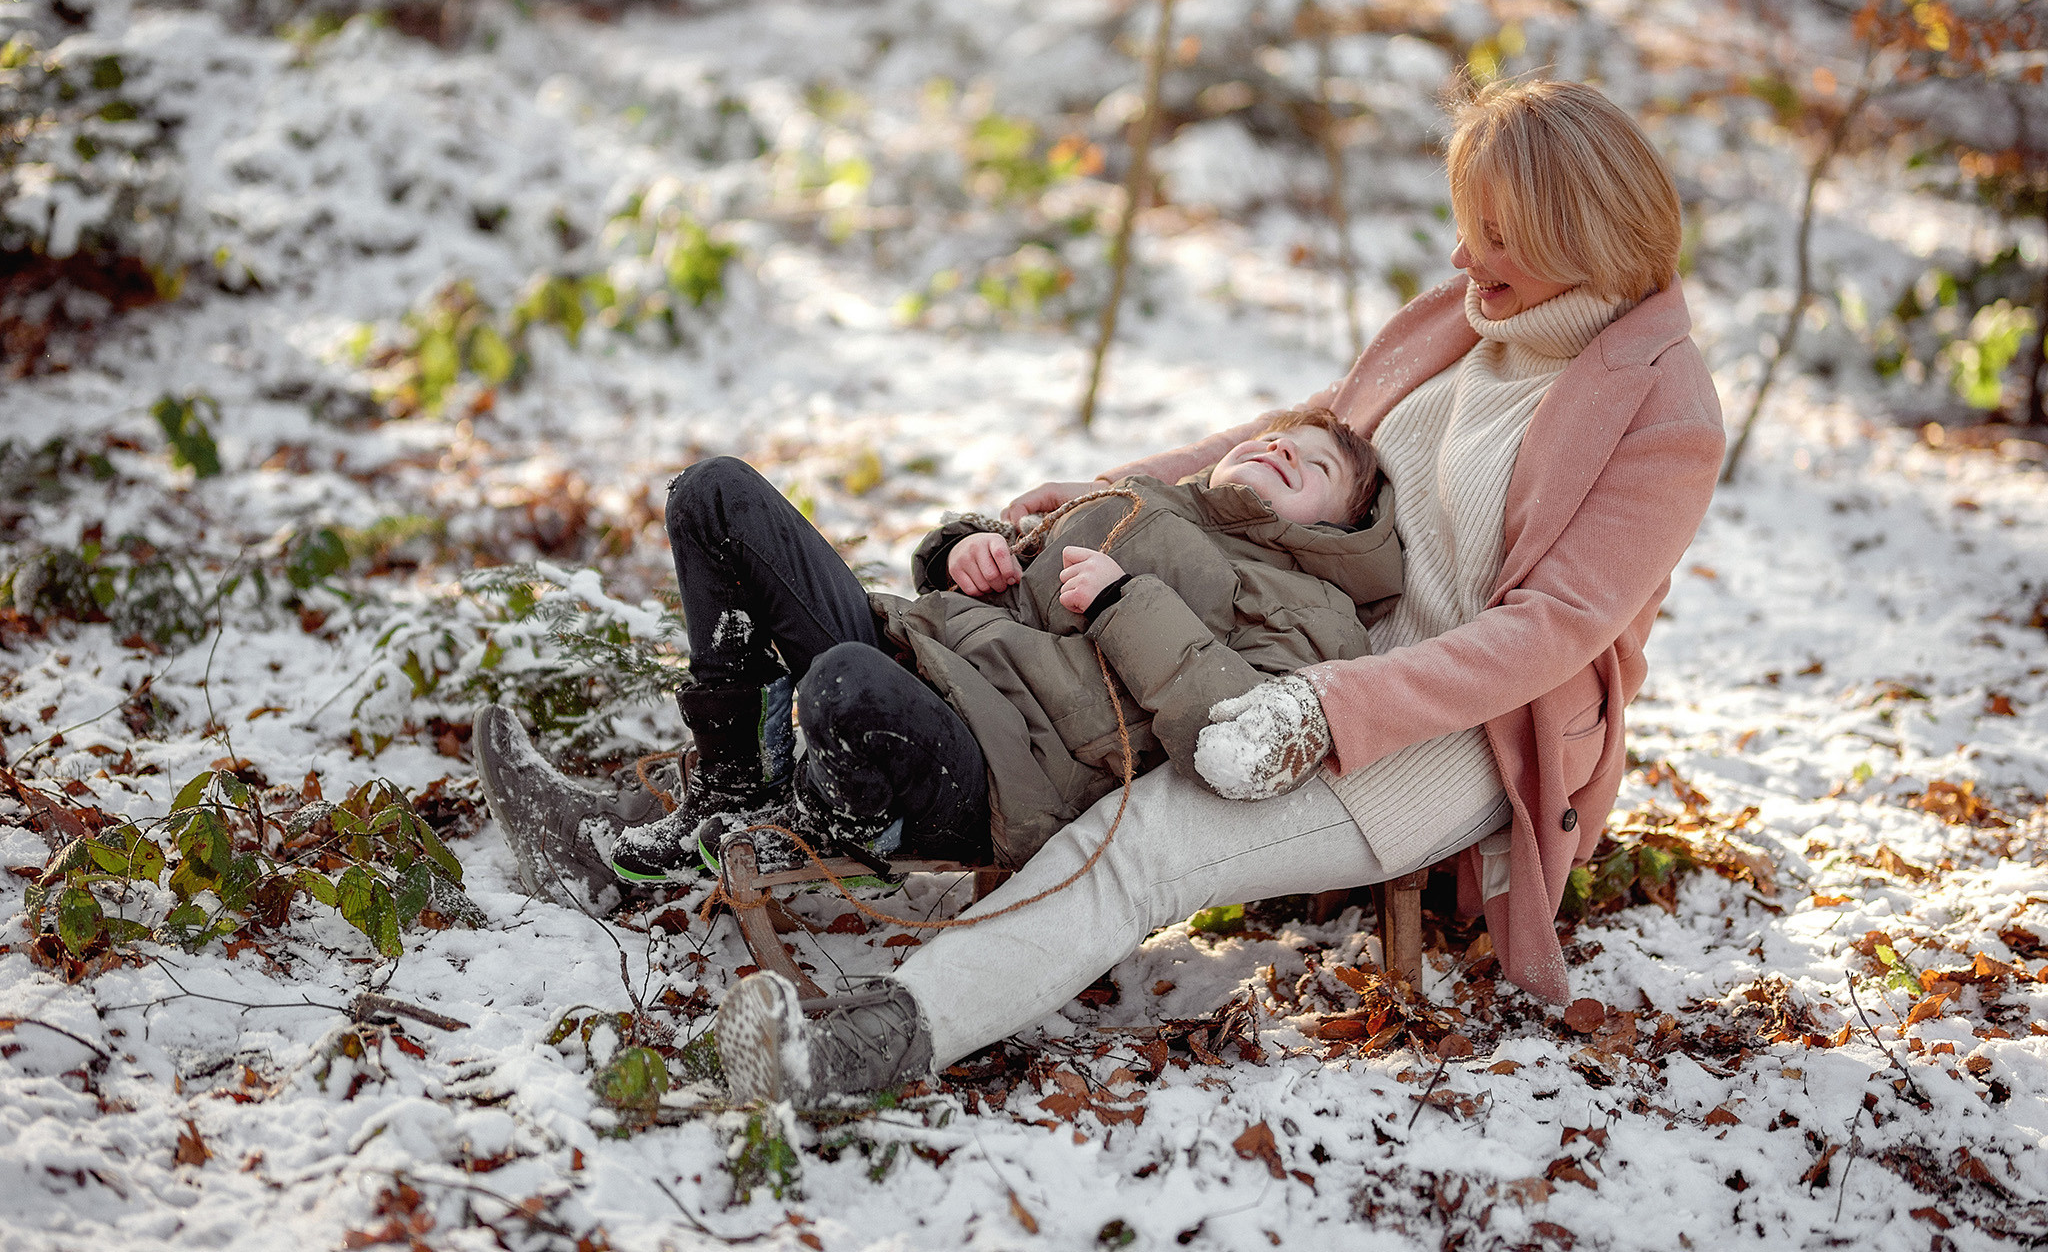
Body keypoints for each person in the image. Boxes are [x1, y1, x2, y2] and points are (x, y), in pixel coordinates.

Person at [711, 76, 1727, 1109]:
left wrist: (1329, 705)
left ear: (1577, 233)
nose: (1461, 257)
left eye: (1494, 233)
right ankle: (688, 812)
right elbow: (1308, 428)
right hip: (1279, 626)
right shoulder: (1465, 314)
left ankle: (848, 1055)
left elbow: (1547, 630)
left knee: (1142, 843)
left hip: (1445, 728)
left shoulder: (1666, 417)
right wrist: (1117, 489)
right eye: (1464, 226)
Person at [472, 406, 1402, 908]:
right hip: (916, 650)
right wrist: (965, 548)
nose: (1282, 450)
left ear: (1345, 526)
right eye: (1273, 436)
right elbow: (997, 575)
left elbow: (1231, 732)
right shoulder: (1145, 499)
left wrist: (1126, 602)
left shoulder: (1316, 616)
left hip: (998, 774)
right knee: (715, 496)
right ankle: (728, 790)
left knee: (842, 687)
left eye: (1313, 463)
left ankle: (788, 837)